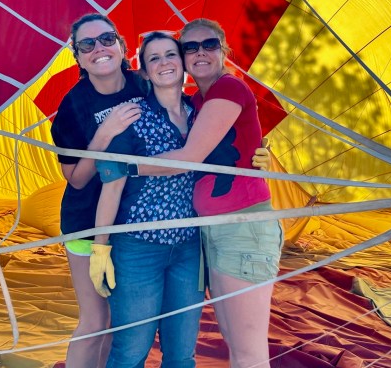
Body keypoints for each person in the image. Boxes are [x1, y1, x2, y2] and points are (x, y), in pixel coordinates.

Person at [112, 19, 281, 367]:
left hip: (241, 229)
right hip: (211, 232)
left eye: (209, 45)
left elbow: (189, 157)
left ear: (224, 50)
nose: (200, 52)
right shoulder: (197, 103)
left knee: (248, 351)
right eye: (190, 47)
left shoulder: (228, 89)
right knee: (236, 345)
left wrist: (123, 166)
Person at [89, 31, 204, 367]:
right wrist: (101, 247)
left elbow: (227, 158)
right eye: (153, 58)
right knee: (131, 351)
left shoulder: (202, 112)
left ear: (183, 63)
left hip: (189, 247)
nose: (164, 63)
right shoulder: (132, 117)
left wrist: (258, 155)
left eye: (171, 54)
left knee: (182, 354)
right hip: (138, 248)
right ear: (144, 71)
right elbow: (111, 184)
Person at [50, 13, 145, 368]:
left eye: (107, 39)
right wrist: (104, 135)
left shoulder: (145, 86)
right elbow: (76, 178)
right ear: (77, 56)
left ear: (121, 45)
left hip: (135, 222)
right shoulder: (72, 107)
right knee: (95, 322)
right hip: (87, 223)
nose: (99, 49)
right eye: (87, 44)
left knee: (123, 324)